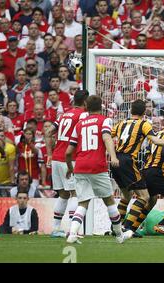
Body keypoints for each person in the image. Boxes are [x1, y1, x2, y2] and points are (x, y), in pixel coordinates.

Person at [110, 100, 164, 235]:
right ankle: (159, 225)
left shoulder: (123, 124)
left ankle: (126, 228)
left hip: (126, 163)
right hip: (154, 171)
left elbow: (108, 136)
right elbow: (162, 151)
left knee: (147, 200)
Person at [64, 95, 125, 244]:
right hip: (97, 166)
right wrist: (113, 156)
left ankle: (72, 233)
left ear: (86, 106)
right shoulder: (104, 120)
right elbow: (106, 138)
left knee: (83, 202)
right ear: (101, 106)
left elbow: (68, 152)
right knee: (109, 200)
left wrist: (70, 168)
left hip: (80, 166)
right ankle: (119, 235)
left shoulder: (79, 124)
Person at [45, 90, 89, 238]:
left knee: (63, 194)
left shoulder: (63, 115)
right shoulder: (83, 114)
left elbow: (48, 132)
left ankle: (56, 229)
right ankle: (73, 230)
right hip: (69, 159)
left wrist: (50, 154)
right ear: (85, 102)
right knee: (75, 193)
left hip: (57, 158)